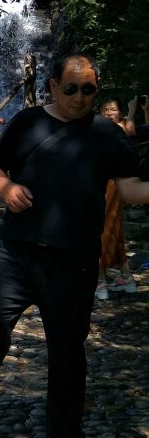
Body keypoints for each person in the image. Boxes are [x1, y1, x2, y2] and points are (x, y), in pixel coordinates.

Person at [0, 51, 149, 438]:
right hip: (15, 252)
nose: (78, 97)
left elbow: (129, 190)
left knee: (68, 353)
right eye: (70, 88)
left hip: (74, 259)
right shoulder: (27, 122)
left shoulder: (107, 134)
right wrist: (7, 188)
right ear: (52, 85)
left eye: (88, 89)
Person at [96, 98, 136, 300]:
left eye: (113, 109)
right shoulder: (100, 128)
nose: (109, 112)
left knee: (99, 229)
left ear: (119, 113)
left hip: (111, 184)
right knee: (115, 229)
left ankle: (100, 281)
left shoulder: (120, 127)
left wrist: (132, 110)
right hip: (109, 184)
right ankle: (126, 277)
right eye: (106, 109)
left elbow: (131, 129)